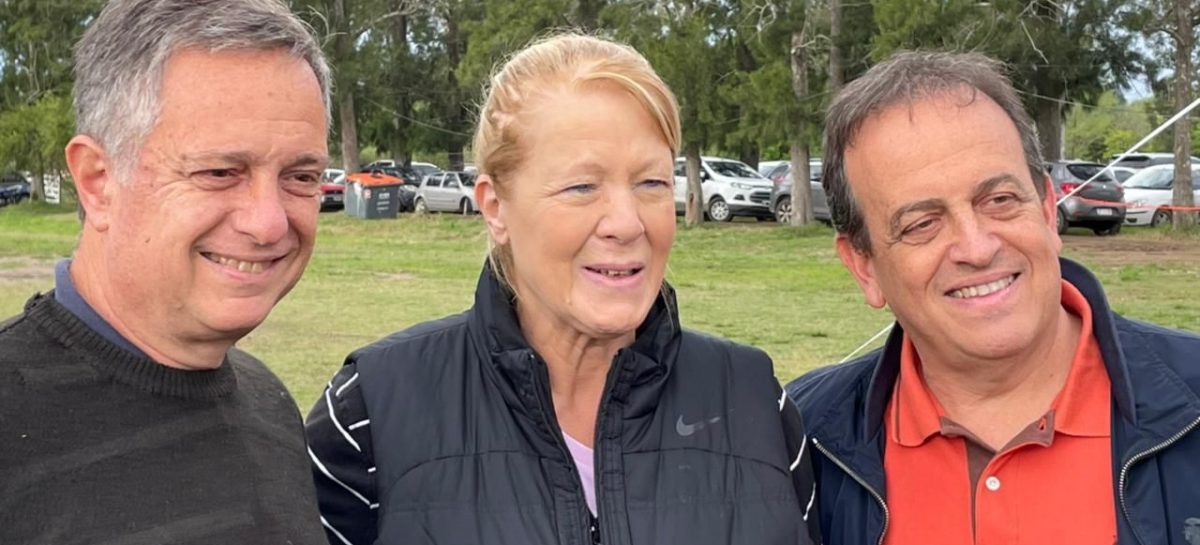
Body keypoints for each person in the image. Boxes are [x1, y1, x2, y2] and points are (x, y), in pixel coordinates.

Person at [306, 33, 821, 545]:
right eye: (582, 187)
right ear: (495, 206)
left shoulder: (756, 403)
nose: (626, 223)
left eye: (651, 184)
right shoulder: (371, 411)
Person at [785, 51, 1200, 545]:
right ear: (864, 266)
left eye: (999, 200)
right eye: (922, 224)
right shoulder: (795, 441)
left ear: (1047, 210)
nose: (977, 248)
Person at [0, 0, 331, 542]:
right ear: (97, 181)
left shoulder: (267, 402)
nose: (269, 223)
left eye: (300, 176)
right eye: (220, 171)